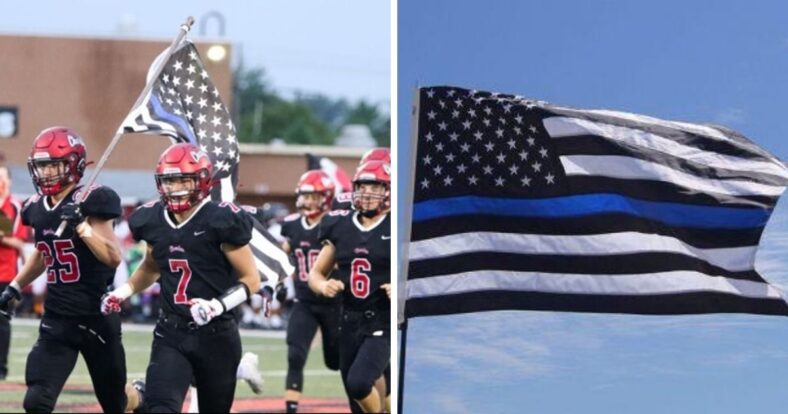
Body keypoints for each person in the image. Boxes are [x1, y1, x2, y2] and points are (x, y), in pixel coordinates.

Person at [101, 143, 261, 413]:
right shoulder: (151, 219)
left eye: (183, 180)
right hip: (171, 331)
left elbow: (251, 279)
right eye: (170, 181)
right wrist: (123, 291)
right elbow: (152, 267)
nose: (175, 188)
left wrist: (216, 305)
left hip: (217, 336)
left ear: (202, 181)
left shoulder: (220, 219)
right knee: (161, 407)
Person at [0, 127, 142, 412]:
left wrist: (82, 226)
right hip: (58, 318)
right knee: (36, 400)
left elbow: (113, 257)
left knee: (116, 403)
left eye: (54, 164)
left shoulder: (94, 200)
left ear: (74, 165)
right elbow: (43, 253)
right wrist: (15, 286)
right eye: (42, 165)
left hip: (96, 318)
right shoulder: (37, 207)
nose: (47, 172)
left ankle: (141, 395)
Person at [309, 160, 391, 413]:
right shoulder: (341, 225)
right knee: (354, 397)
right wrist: (323, 286)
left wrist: (400, 287)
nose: (367, 193)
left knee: (359, 384)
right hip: (348, 321)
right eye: (363, 187)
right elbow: (316, 273)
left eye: (374, 187)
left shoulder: (395, 226)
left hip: (382, 321)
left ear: (387, 191)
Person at [279, 170, 341, 413]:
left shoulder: (334, 224)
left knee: (335, 361)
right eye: (305, 196)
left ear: (326, 197)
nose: (308, 201)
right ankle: (291, 408)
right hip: (304, 301)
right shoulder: (292, 225)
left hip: (333, 302)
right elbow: (282, 252)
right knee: (295, 353)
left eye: (314, 197)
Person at [0, 165, 30, 379]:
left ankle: (1, 368)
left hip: (5, 273)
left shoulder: (14, 208)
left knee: (2, 322)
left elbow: (19, 242)